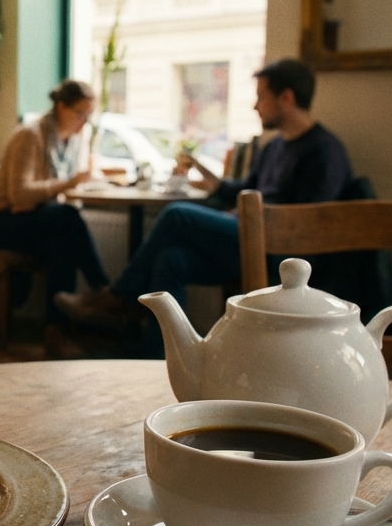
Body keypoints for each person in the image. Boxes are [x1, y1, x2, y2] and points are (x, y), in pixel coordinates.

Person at [54, 58, 352, 334]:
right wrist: (202, 173)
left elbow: (309, 223)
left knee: (177, 214)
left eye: (261, 97)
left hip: (281, 254)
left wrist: (240, 216)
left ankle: (117, 298)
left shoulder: (324, 151)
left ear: (286, 98)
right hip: (245, 238)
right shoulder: (274, 147)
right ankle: (156, 356)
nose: (255, 106)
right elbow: (243, 192)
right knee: (170, 260)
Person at [0, 79, 110, 359]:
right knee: (68, 217)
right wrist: (68, 184)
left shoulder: (74, 140)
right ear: (61, 107)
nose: (85, 122)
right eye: (80, 114)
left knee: (63, 245)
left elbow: (52, 191)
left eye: (89, 116)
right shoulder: (31, 134)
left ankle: (55, 335)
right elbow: (19, 194)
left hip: (30, 216)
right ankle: (104, 290)